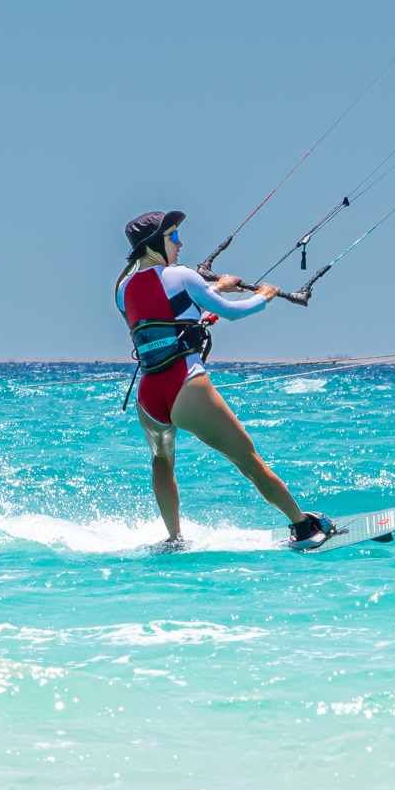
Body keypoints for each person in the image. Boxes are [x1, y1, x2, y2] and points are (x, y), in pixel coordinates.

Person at [115, 210, 334, 549]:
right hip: (185, 384)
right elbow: (232, 312)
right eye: (173, 236)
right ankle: (305, 527)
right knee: (248, 458)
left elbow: (166, 312)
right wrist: (263, 296)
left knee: (161, 460)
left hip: (148, 394)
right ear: (154, 242)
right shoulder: (183, 275)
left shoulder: (122, 289)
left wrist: (214, 288)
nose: (180, 242)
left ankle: (174, 539)